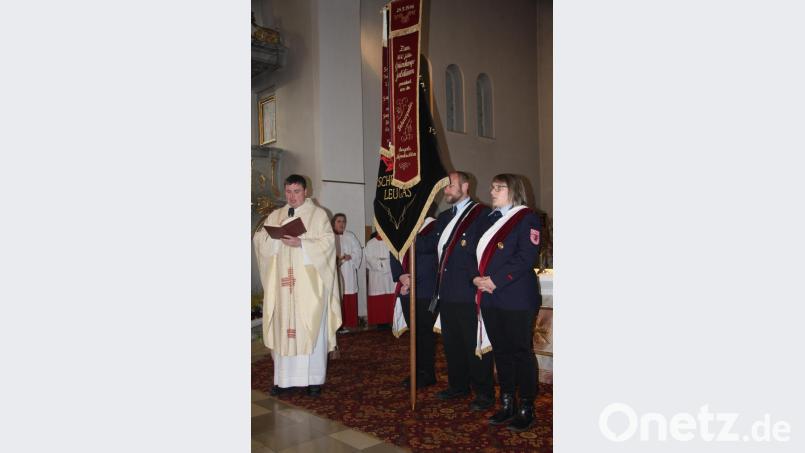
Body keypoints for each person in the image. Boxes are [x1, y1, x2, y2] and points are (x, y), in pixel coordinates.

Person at [252, 174, 342, 397]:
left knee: (310, 327)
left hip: (309, 289)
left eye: (297, 192)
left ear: (306, 192)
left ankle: (313, 380)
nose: (292, 197)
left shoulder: (318, 215)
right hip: (283, 290)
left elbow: (328, 244)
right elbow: (259, 240)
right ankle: (284, 379)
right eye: (289, 192)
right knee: (284, 330)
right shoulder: (276, 215)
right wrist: (274, 240)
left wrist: (301, 243)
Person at [473, 174, 542, 431]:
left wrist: (495, 280)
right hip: (491, 298)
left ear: (513, 190)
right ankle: (506, 403)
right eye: (491, 187)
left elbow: (526, 258)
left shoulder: (527, 218)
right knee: (500, 352)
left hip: (515, 297)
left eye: (498, 188)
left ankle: (526, 406)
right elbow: (476, 255)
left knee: (520, 352)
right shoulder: (490, 220)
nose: (491, 192)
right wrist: (476, 279)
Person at [421, 171, 494, 411]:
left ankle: (483, 392)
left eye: (450, 185)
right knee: (452, 343)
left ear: (465, 185)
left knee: (474, 343)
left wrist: (478, 279)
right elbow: (430, 247)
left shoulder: (481, 214)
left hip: (469, 289)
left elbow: (485, 250)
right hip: (445, 290)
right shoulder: (443, 218)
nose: (446, 190)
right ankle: (458, 385)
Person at [389, 216, 439, 389]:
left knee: (425, 334)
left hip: (425, 289)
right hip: (406, 287)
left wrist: (411, 235)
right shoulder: (402, 225)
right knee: (414, 334)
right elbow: (393, 250)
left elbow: (431, 249)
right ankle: (416, 371)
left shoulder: (434, 225)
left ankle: (427, 373)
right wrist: (401, 276)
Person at [332, 213, 363, 331]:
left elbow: (358, 251)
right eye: (339, 221)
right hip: (335, 272)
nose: (342, 224)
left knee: (348, 295)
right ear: (334, 223)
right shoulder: (329, 236)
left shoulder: (350, 236)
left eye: (344, 221)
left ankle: (349, 324)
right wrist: (337, 259)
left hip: (348, 271)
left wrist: (351, 256)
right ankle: (337, 326)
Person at [364, 232, 396, 327]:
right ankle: (379, 323)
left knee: (389, 299)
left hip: (389, 277)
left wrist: (383, 262)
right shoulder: (370, 244)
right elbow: (368, 259)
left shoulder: (392, 243)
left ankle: (391, 321)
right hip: (376, 277)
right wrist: (382, 264)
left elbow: (395, 258)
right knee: (378, 301)